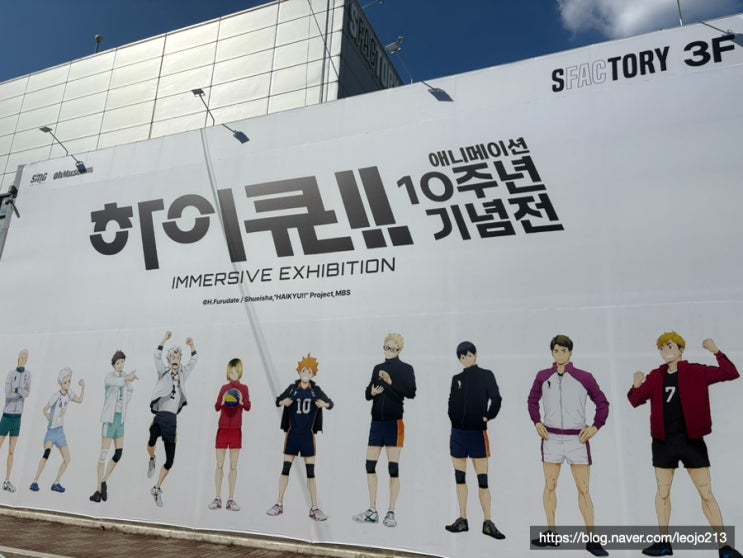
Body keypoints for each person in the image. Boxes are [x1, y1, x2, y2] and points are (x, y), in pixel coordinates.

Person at [628, 332, 742, 558]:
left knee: (706, 492)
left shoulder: (696, 371)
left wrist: (716, 351)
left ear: (681, 349)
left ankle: (724, 547)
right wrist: (636, 384)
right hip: (663, 442)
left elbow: (731, 373)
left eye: (670, 346)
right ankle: (664, 542)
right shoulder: (656, 376)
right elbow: (635, 400)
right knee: (662, 491)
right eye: (662, 348)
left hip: (691, 440)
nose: (665, 351)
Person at [528, 334, 610, 557]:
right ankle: (551, 533)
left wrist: (595, 426)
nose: (560, 354)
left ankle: (592, 539)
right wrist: (536, 421)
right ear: (552, 352)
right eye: (556, 350)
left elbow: (602, 403)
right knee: (550, 485)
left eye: (564, 350)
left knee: (583, 489)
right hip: (551, 438)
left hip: (577, 439)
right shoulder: (543, 376)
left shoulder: (584, 377)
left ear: (570, 352)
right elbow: (532, 400)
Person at [353, 333, 416, 528]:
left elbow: (411, 392)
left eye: (392, 349)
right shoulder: (377, 368)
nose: (388, 351)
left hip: (394, 423)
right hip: (376, 423)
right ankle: (372, 510)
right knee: (369, 465)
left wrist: (390, 382)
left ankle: (391, 511)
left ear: (399, 350)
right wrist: (371, 392)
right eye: (386, 347)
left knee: (393, 468)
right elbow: (367, 393)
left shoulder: (406, 369)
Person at [444, 341, 505, 540]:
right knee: (460, 478)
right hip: (458, 435)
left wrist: (487, 416)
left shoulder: (486, 375)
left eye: (469, 355)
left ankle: (488, 522)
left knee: (483, 480)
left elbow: (496, 398)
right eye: (462, 357)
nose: (466, 359)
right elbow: (451, 402)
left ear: (475, 355)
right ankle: (462, 519)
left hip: (477, 433)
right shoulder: (457, 379)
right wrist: (454, 419)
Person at [266, 353, 333, 521]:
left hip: (307, 436)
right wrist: (283, 402)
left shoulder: (315, 390)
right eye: (304, 370)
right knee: (285, 469)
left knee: (310, 473)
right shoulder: (292, 389)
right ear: (299, 371)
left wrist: (324, 404)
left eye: (309, 371)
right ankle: (279, 504)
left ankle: (314, 508)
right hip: (293, 434)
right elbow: (278, 400)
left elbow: (330, 403)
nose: (306, 373)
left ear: (313, 374)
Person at [147, 330, 198, 507]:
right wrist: (164, 339)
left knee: (170, 460)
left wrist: (192, 346)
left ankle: (156, 488)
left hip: (172, 419)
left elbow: (193, 361)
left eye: (178, 357)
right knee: (151, 440)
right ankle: (152, 458)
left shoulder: (183, 373)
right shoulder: (163, 371)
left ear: (180, 360)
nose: (175, 359)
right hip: (160, 415)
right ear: (169, 360)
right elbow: (156, 356)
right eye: (173, 357)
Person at [90, 350, 138, 503]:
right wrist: (127, 378)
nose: (120, 365)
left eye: (122, 362)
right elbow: (116, 382)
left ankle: (104, 481)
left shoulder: (125, 379)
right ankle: (97, 491)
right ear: (113, 364)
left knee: (118, 453)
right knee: (103, 455)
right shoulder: (110, 377)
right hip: (109, 420)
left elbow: (129, 393)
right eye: (117, 363)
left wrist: (127, 387)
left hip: (120, 420)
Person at [29, 368, 85, 493]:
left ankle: (56, 483)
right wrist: (47, 415)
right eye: (65, 382)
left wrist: (83, 387)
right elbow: (45, 408)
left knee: (67, 459)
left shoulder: (69, 393)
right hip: (51, 432)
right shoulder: (56, 396)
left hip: (60, 432)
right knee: (46, 453)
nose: (68, 384)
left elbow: (80, 400)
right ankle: (35, 481)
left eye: (69, 381)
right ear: (60, 383)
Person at [208, 358, 250, 512]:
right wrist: (224, 399)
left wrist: (240, 401)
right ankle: (217, 498)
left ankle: (230, 499)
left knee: (233, 465)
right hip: (223, 429)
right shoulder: (224, 388)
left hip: (236, 430)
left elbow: (248, 407)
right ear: (228, 373)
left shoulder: (244, 388)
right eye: (231, 372)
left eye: (236, 372)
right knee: (219, 464)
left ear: (240, 372)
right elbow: (216, 407)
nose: (233, 374)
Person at [1, 349, 31, 493]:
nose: (23, 360)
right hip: (7, 416)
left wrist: (17, 389)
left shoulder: (28, 375)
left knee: (11, 451)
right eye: (21, 357)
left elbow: (26, 393)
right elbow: (8, 394)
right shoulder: (10, 374)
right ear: (18, 358)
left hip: (17, 417)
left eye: (25, 358)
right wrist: (20, 392)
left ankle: (7, 481)